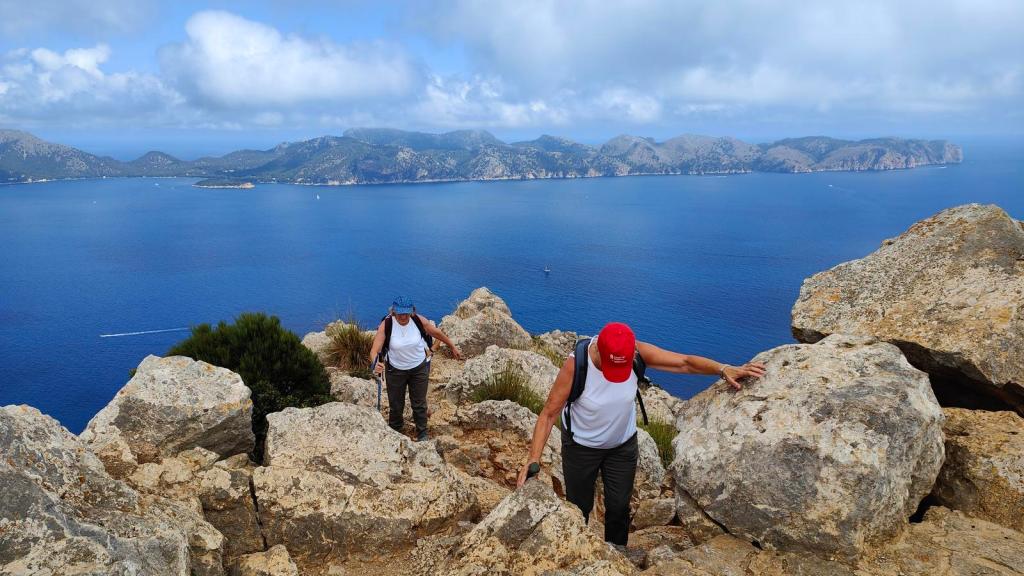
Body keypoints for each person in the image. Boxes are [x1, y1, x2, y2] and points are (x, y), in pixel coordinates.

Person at [516, 322, 765, 546]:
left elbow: (684, 362)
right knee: (578, 507)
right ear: (599, 352)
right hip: (581, 448)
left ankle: (617, 554)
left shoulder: (635, 352)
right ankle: (577, 552)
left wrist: (723, 368)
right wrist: (533, 458)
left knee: (619, 508)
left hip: (621, 447)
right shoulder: (576, 365)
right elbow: (549, 413)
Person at [369, 296, 463, 441]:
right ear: (393, 312)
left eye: (406, 313)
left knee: (419, 403)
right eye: (400, 313)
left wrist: (452, 346)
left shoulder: (418, 320)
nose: (403, 316)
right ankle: (395, 430)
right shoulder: (387, 324)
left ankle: (422, 433)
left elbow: (436, 333)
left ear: (412, 311)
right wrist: (375, 363)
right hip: (395, 370)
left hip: (419, 368)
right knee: (396, 403)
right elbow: (375, 350)